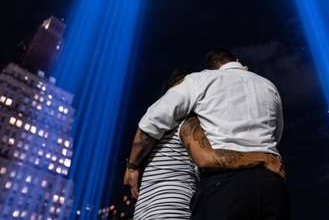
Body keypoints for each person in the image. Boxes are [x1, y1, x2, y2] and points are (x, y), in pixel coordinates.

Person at [124, 49, 289, 220]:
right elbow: (274, 137)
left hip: (221, 187)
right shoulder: (269, 86)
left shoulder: (199, 82)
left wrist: (132, 166)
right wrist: (263, 158)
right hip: (273, 183)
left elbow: (149, 123)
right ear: (237, 61)